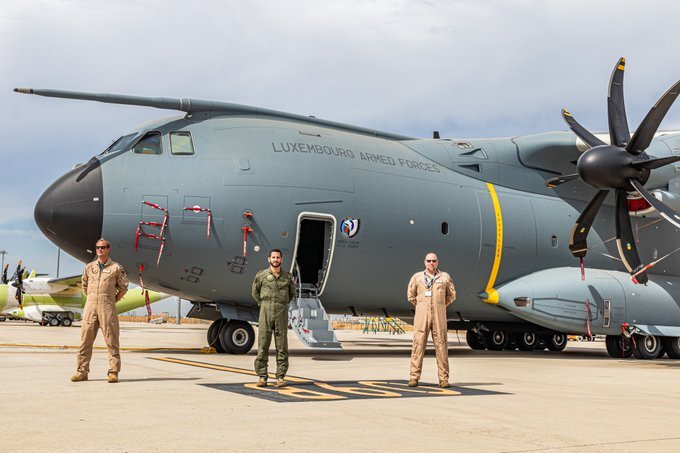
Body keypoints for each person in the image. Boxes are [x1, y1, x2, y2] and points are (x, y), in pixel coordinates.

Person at [71, 239, 129, 383]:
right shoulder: (89, 267)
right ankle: (82, 372)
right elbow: (84, 286)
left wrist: (111, 300)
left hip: (107, 307)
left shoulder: (116, 268)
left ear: (108, 249)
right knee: (85, 340)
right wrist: (93, 298)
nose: (100, 250)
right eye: (98, 247)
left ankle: (113, 372)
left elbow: (123, 288)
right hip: (90, 306)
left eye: (103, 247)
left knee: (111, 340)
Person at [407, 252, 456, 388]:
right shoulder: (417, 277)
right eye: (429, 261)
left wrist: (440, 305)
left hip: (439, 316)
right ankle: (414, 377)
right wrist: (422, 305)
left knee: (441, 346)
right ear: (425, 262)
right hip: (422, 316)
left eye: (434, 261)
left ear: (437, 262)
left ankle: (443, 379)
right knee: (418, 345)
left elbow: (451, 295)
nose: (431, 263)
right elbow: (411, 296)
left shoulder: (444, 277)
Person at [251, 249, 296, 388]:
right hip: (265, 311)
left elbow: (291, 294)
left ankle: (280, 377)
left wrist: (281, 303)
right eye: (273, 257)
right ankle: (262, 377)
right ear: (269, 259)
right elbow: (255, 292)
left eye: (278, 257)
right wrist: (263, 304)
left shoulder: (287, 277)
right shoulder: (261, 276)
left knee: (282, 346)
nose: (275, 259)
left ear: (281, 259)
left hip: (281, 312)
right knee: (263, 345)